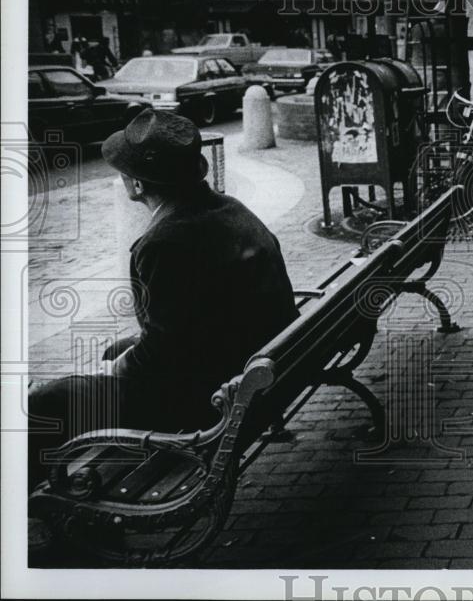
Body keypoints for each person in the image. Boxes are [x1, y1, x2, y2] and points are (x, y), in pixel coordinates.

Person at [27, 109, 299, 492]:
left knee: (46, 400)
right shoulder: (231, 209)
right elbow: (186, 326)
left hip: (207, 399)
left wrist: (114, 371)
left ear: (137, 184)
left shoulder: (164, 243)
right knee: (114, 352)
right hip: (257, 368)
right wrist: (122, 360)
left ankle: (40, 503)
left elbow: (162, 357)